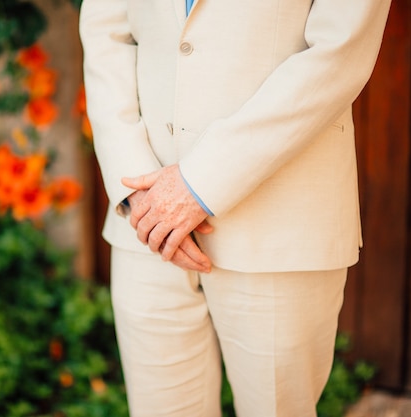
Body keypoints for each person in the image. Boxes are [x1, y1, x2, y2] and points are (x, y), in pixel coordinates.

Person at [79, 0, 391, 415]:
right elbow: (106, 34)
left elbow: (339, 51)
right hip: (145, 222)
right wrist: (135, 183)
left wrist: (199, 183)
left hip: (278, 225)